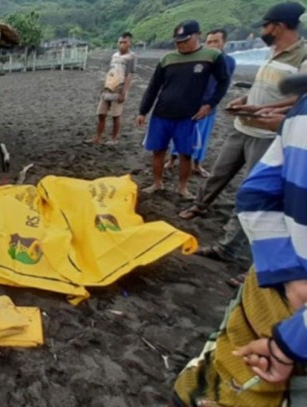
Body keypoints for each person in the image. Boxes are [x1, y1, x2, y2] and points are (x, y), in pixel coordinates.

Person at [171, 73, 307, 407]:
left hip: (273, 287)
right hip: (287, 298)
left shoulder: (301, 112)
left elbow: (257, 192)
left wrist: (284, 269)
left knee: (227, 376)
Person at [178, 2, 307, 268]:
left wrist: (260, 108)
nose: (263, 30)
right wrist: (244, 99)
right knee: (219, 173)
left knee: (251, 188)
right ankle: (200, 206)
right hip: (243, 126)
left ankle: (230, 247)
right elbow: (265, 88)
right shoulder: (272, 53)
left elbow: (300, 97)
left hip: (268, 134)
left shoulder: (303, 57)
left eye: (266, 25)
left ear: (280, 26)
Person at [137, 20, 231, 199]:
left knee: (186, 154)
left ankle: (182, 187)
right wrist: (143, 111)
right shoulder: (167, 59)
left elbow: (224, 81)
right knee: (158, 151)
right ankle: (157, 183)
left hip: (189, 115)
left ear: (198, 35)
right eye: (177, 41)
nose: (181, 44)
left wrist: (210, 104)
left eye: (185, 40)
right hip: (162, 113)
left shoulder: (211, 56)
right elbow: (154, 86)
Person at [165, 29, 238, 177]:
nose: (212, 44)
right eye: (209, 41)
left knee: (203, 136)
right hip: (189, 103)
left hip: (209, 104)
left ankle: (197, 164)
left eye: (216, 41)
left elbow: (224, 84)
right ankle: (172, 159)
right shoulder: (199, 58)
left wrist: (212, 102)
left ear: (224, 42)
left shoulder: (228, 61)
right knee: (180, 132)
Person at [92, 32, 137, 145]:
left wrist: (124, 92)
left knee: (115, 115)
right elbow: (110, 71)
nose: (122, 44)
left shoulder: (131, 57)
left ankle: (114, 138)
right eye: (120, 42)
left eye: (124, 42)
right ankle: (98, 137)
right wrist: (104, 85)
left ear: (130, 43)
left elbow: (129, 75)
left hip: (119, 89)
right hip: (108, 87)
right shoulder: (114, 56)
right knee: (101, 114)